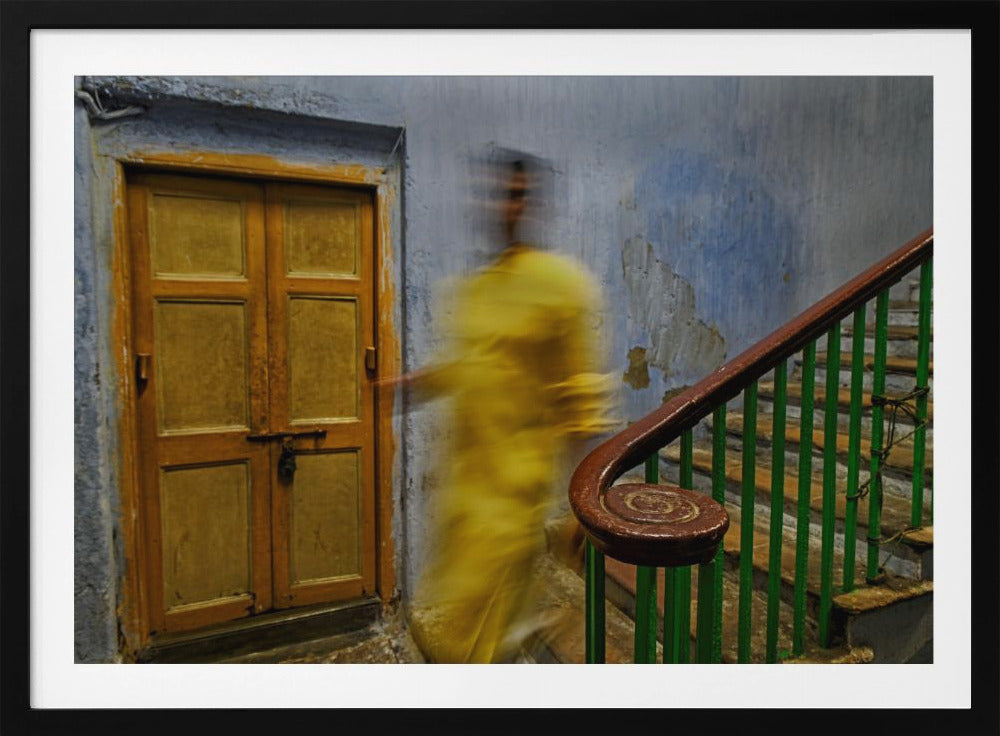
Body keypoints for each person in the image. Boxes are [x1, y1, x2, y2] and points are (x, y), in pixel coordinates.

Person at [382, 151, 616, 663]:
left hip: (514, 494)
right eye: (494, 194)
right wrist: (411, 384)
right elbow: (470, 366)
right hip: (465, 488)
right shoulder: (476, 290)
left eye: (514, 195)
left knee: (483, 632)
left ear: (531, 204)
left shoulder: (560, 285)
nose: (502, 206)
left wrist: (584, 506)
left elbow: (580, 402)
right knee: (465, 619)